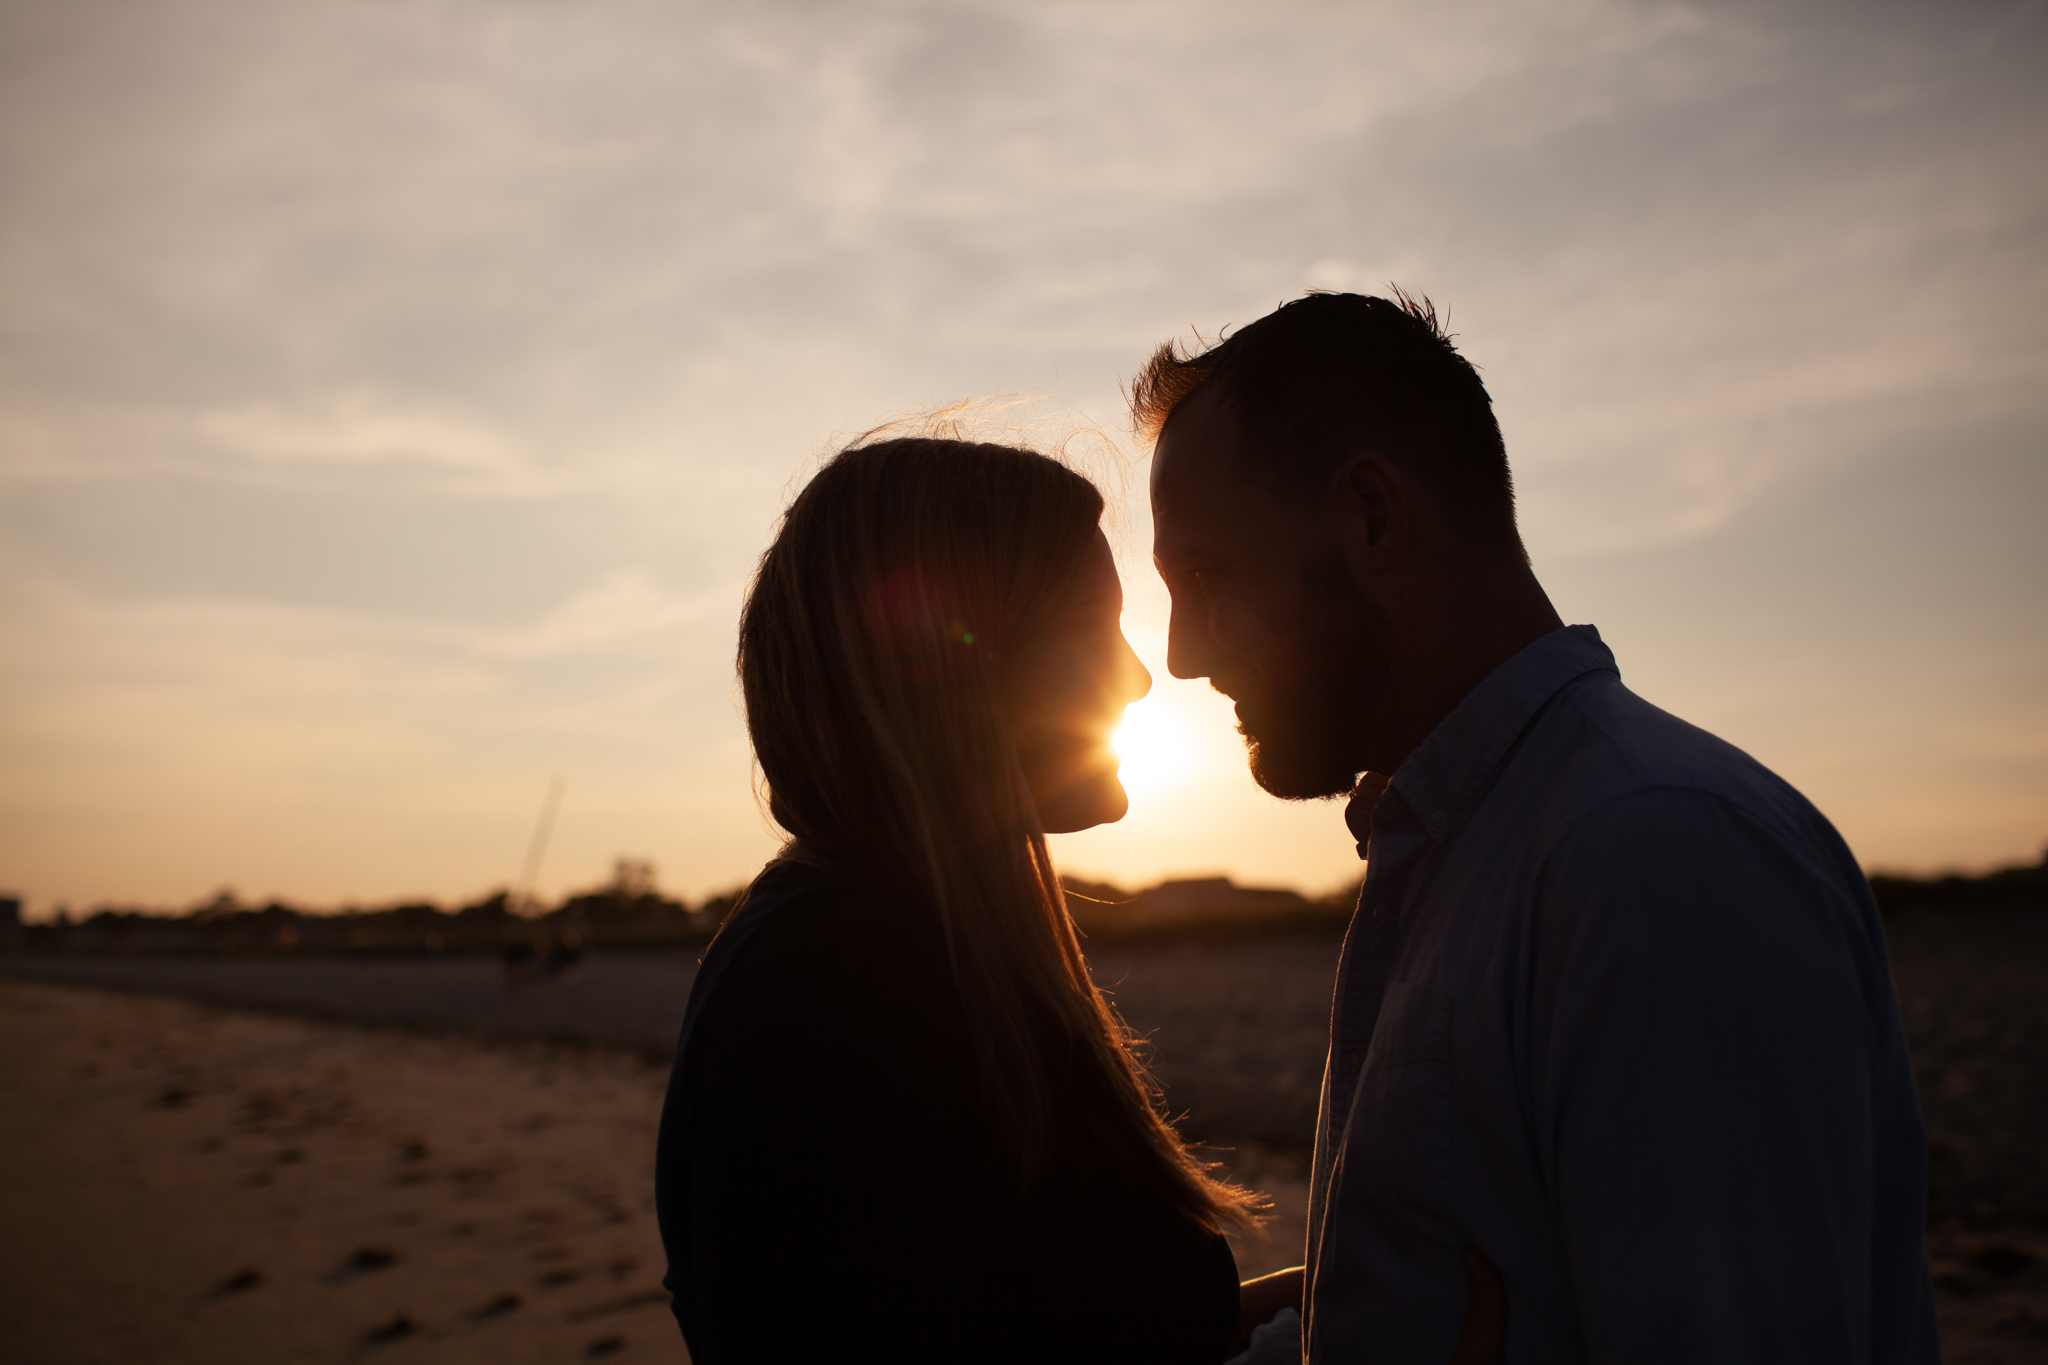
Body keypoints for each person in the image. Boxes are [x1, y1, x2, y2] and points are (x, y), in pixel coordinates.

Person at [1134, 290, 1941, 1362]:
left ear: (1371, 518)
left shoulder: (1651, 856)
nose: (1182, 653)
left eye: (1208, 576)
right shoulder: (1467, 846)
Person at [654, 436, 1258, 1363]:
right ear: (947, 664)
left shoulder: (905, 950)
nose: (1140, 676)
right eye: (1093, 627)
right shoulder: (836, 994)